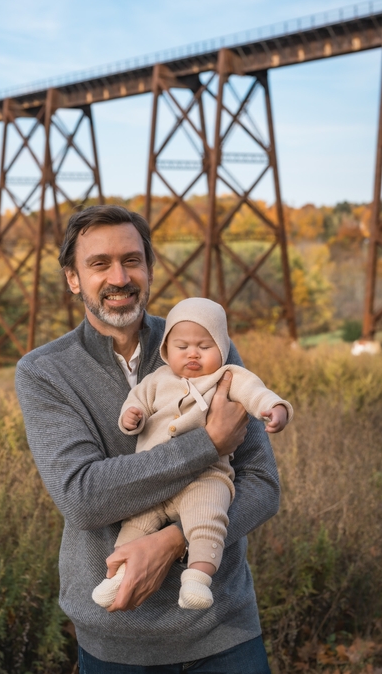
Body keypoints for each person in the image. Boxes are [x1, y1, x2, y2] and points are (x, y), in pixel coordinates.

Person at [15, 205, 280, 674]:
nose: (120, 277)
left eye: (132, 260)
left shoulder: (205, 346)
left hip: (223, 628)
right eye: (99, 264)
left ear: (150, 269)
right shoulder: (44, 372)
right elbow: (83, 497)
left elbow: (262, 483)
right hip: (117, 641)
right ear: (73, 278)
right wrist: (208, 444)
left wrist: (176, 541)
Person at [92, 297, 292, 612]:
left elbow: (256, 392)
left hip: (206, 476)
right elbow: (137, 402)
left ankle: (197, 578)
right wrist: (131, 416)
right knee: (136, 524)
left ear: (223, 349)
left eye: (204, 345)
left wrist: (273, 408)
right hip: (154, 484)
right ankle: (118, 575)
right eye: (182, 346)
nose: (193, 353)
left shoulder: (227, 377)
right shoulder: (158, 380)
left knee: (207, 518)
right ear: (167, 351)